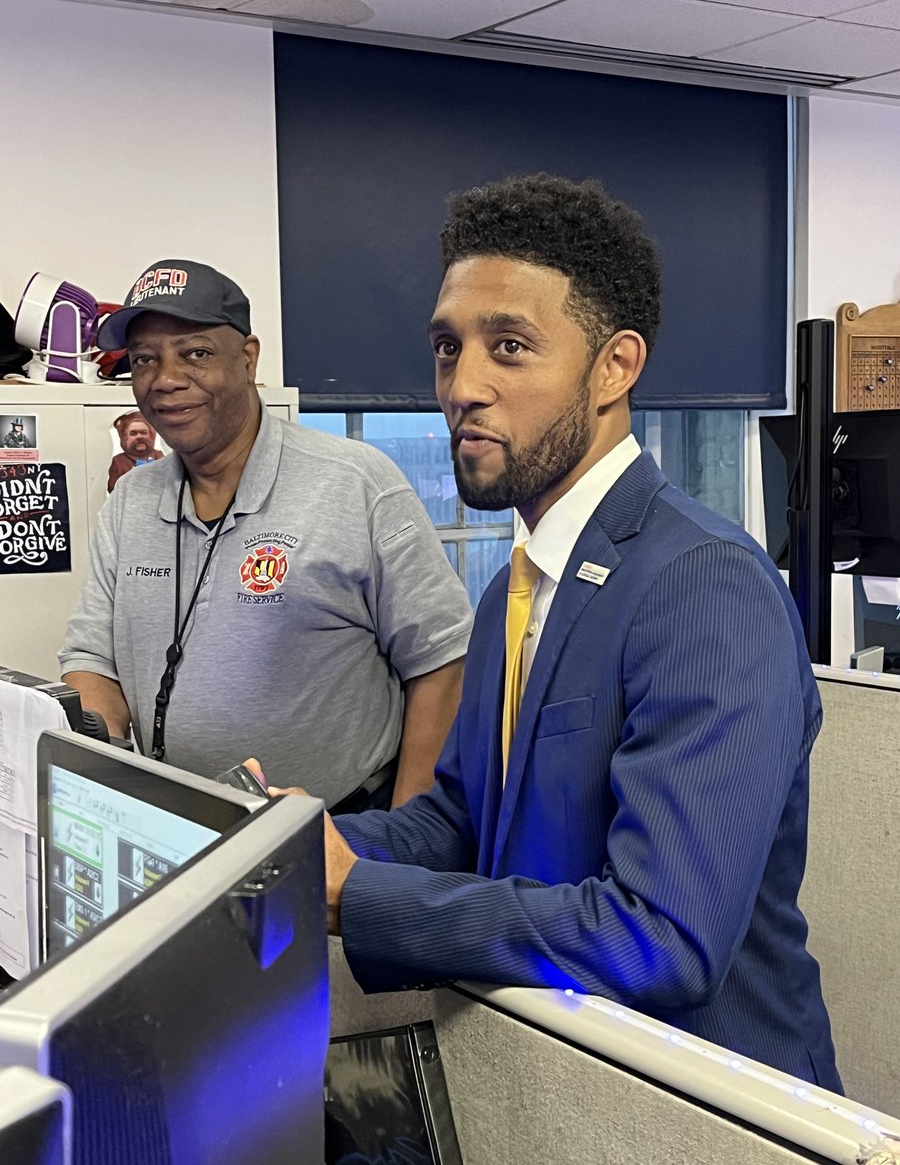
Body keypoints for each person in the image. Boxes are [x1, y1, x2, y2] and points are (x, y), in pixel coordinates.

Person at [263, 175, 841, 1088]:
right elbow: (463, 821)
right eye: (449, 348)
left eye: (512, 348)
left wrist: (360, 895)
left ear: (614, 368)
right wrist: (307, 849)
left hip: (707, 1113)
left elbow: (660, 940)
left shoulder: (704, 584)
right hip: (549, 1080)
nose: (464, 388)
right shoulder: (512, 590)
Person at [60, 259, 472, 810]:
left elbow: (442, 660)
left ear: (248, 359)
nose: (165, 379)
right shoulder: (131, 502)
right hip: (182, 828)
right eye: (144, 360)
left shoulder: (356, 482)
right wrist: (100, 785)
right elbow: (92, 657)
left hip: (342, 825)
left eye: (196, 353)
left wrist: (404, 833)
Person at [107, 410, 164, 492]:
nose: (139, 437)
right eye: (133, 433)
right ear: (125, 438)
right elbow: (113, 489)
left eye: (143, 433)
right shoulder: (119, 462)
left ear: (151, 435)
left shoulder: (160, 457)